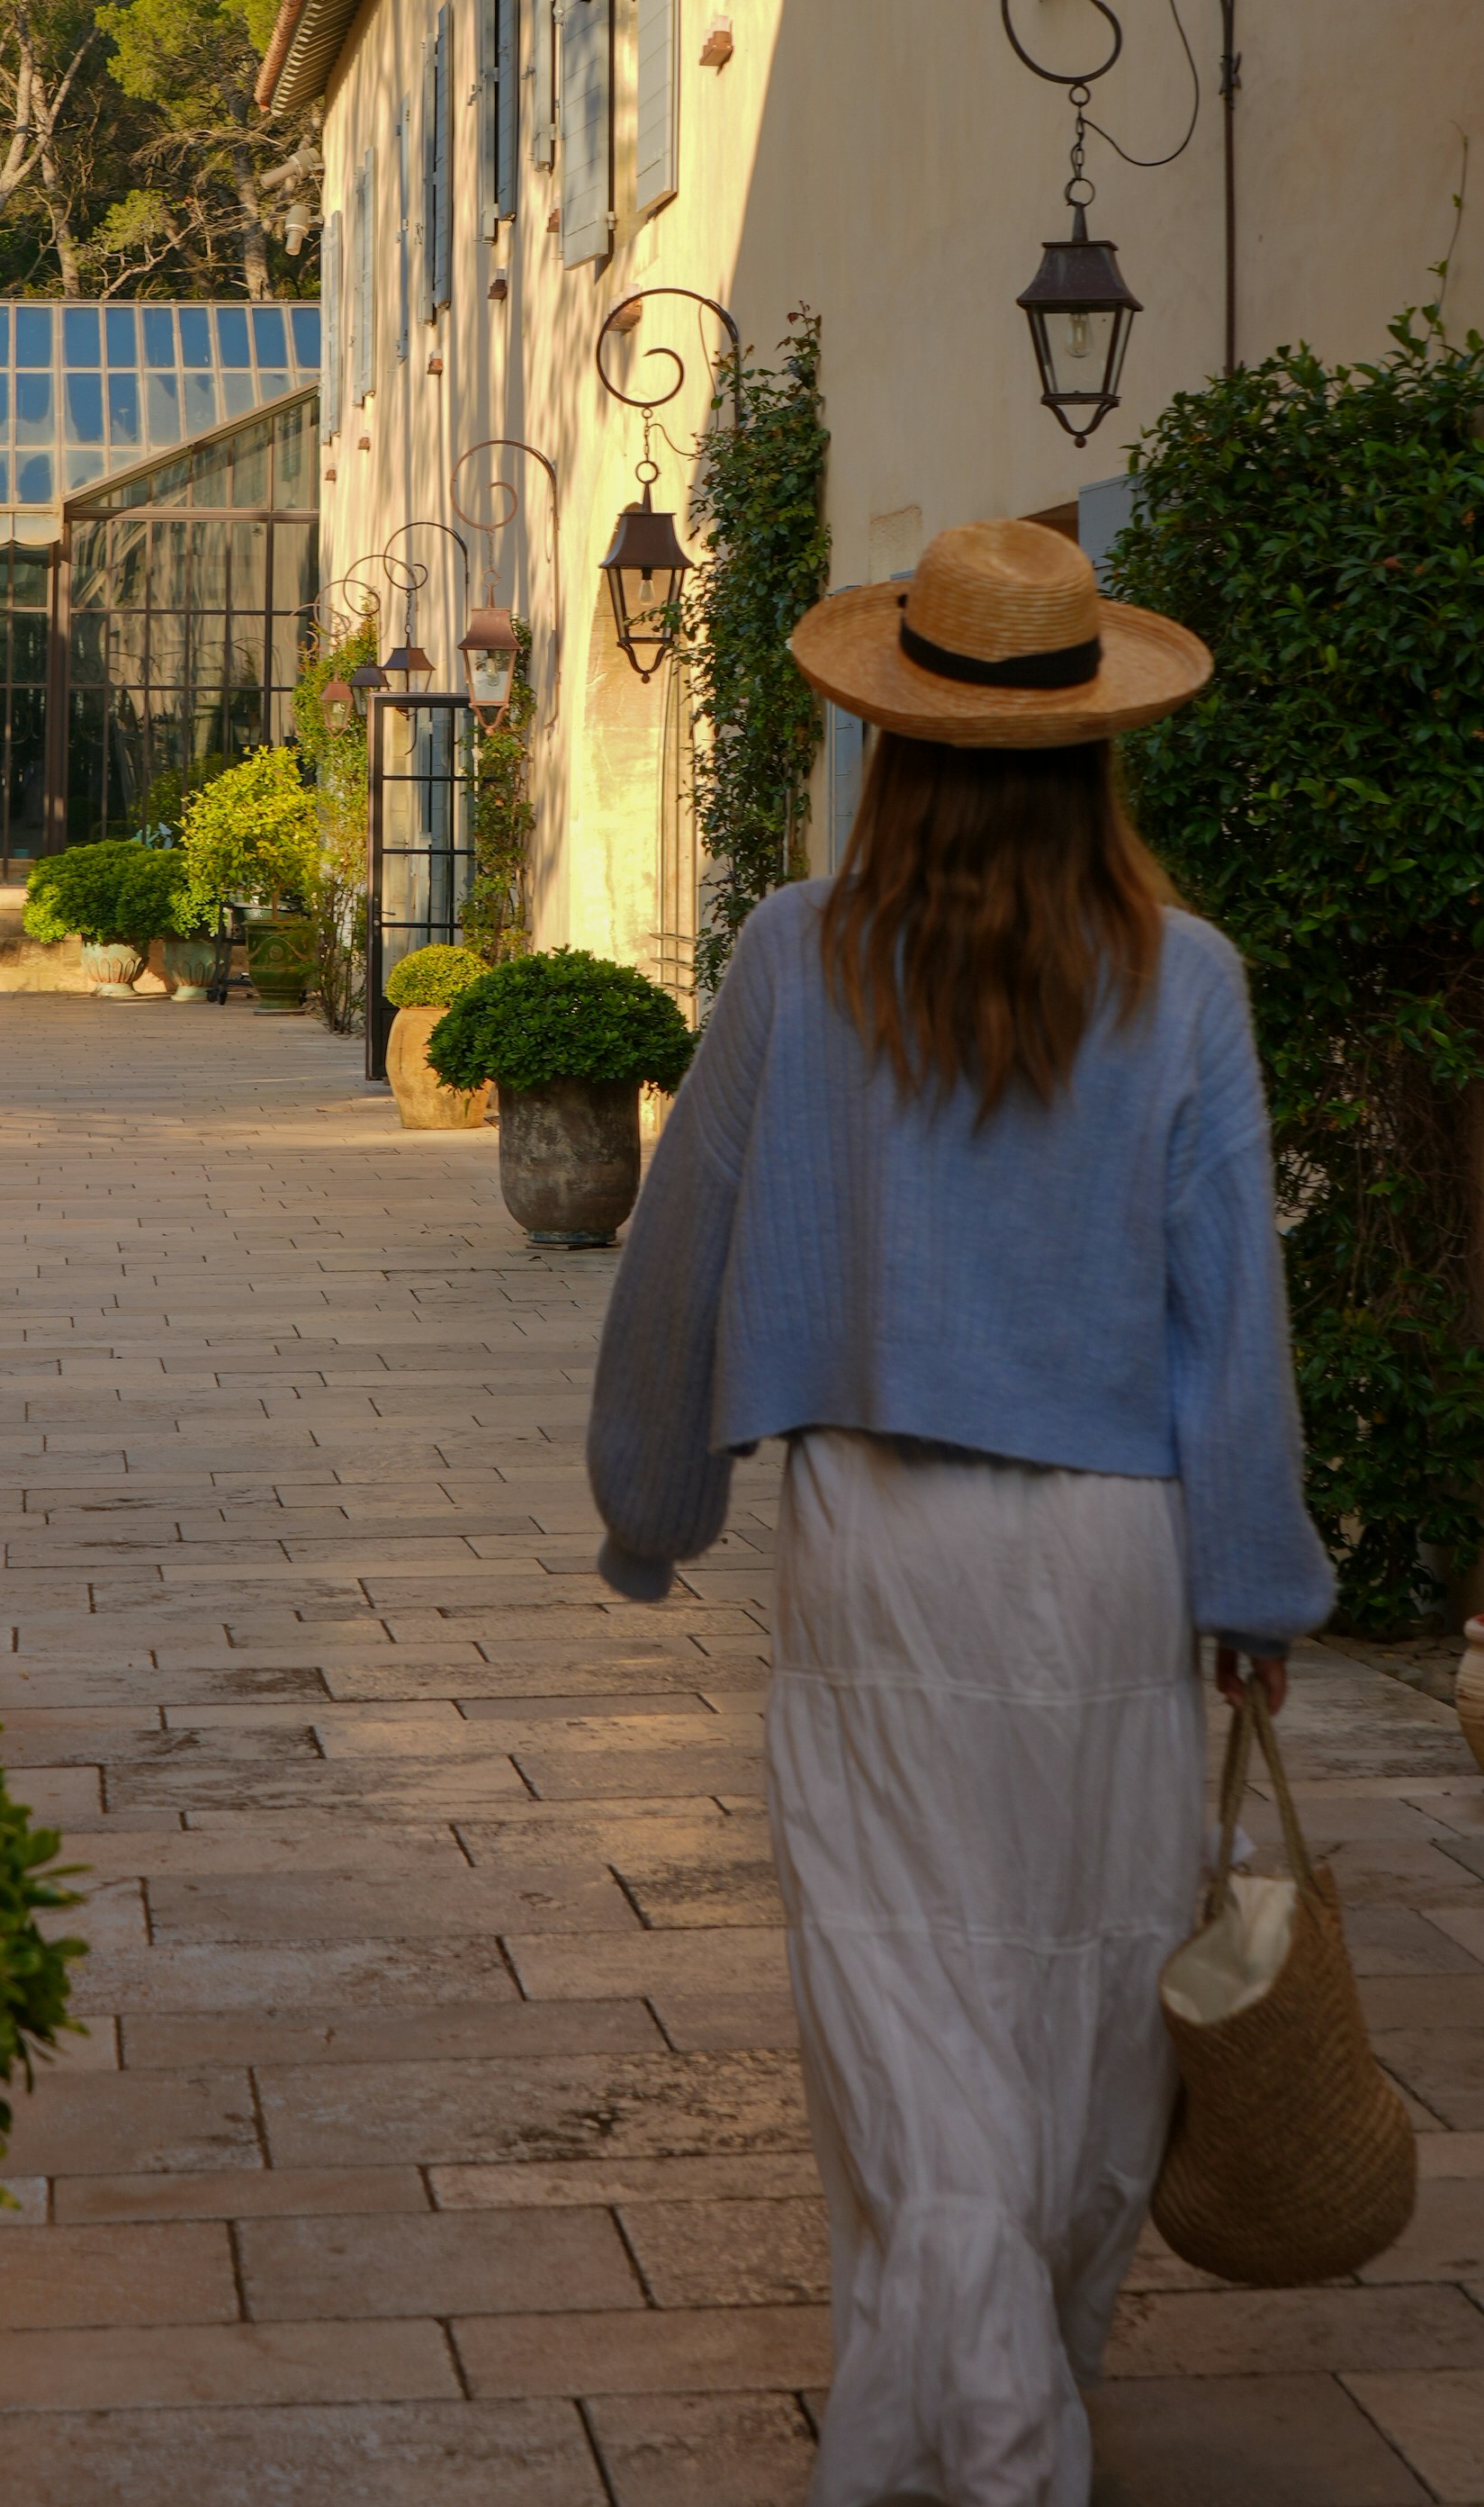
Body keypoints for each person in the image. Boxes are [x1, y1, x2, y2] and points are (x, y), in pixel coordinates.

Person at [587, 517, 1333, 2507]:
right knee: (1089, 1994)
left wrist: (651, 1499)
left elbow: (687, 1246)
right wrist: (1250, 1580)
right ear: (1100, 747)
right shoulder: (1189, 985)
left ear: (888, 744)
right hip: (1112, 1555)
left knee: (900, 1974)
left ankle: (981, 2423)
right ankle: (1013, 2400)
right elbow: (1225, 1316)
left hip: (880, 1544)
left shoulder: (789, 959)